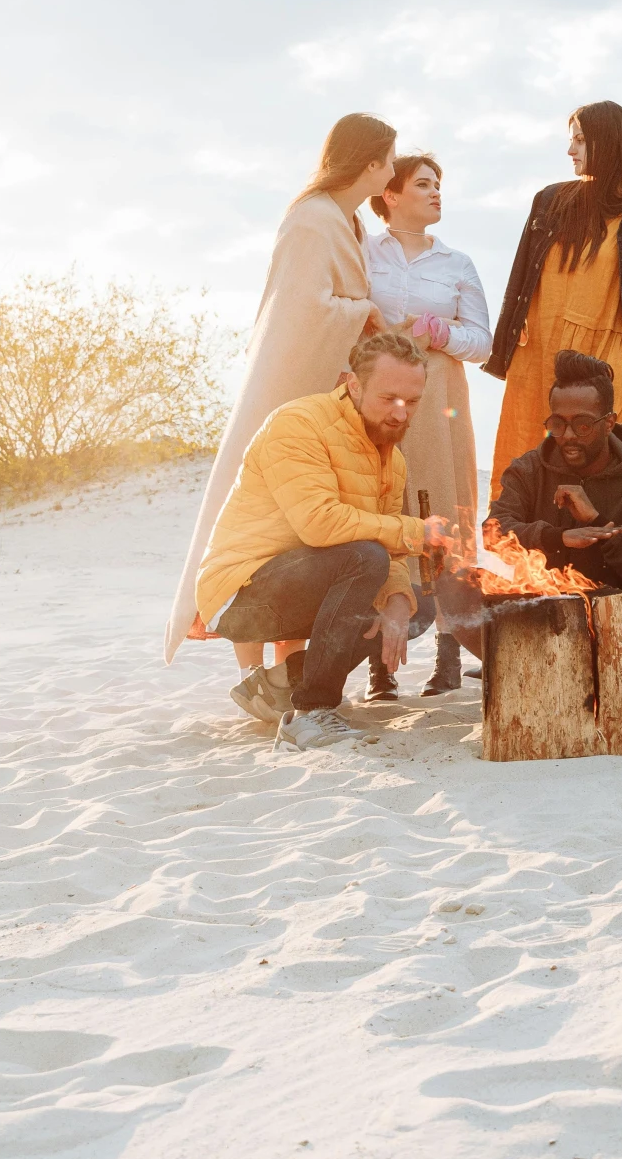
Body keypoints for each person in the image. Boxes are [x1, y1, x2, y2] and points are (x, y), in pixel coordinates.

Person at [165, 112, 393, 666]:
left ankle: (291, 664)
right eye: (389, 159)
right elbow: (300, 310)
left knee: (309, 530)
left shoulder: (348, 223)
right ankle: (252, 670)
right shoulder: (312, 220)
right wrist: (366, 311)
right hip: (292, 389)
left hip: (333, 392)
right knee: (266, 525)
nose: (392, 170)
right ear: (370, 163)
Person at [194, 329, 451, 752]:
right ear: (352, 384)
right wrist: (412, 532)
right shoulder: (297, 424)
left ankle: (281, 684)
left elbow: (385, 542)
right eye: (389, 399)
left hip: (307, 583)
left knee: (417, 605)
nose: (402, 414)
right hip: (240, 595)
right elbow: (319, 524)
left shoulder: (393, 456)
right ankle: (312, 712)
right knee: (365, 560)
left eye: (413, 401)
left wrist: (398, 602)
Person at [436, 350, 622, 672]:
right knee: (455, 583)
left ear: (609, 422)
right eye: (557, 423)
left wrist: (598, 525)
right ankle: (518, 671)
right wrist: (559, 537)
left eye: (582, 425)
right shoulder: (528, 469)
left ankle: (598, 680)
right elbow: (493, 530)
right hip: (537, 606)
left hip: (608, 613)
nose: (567, 436)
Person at [485, 100, 622, 496]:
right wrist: (504, 348)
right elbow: (520, 279)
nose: (570, 150)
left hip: (607, 360)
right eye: (571, 139)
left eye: (580, 140)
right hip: (540, 350)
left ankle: (594, 551)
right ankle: (527, 552)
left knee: (595, 467)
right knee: (527, 455)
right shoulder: (550, 200)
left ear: (608, 143)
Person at [363, 152, 492, 700]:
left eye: (439, 185)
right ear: (390, 194)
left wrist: (440, 332)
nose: (437, 192)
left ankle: (447, 657)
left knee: (443, 512)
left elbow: (483, 344)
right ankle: (380, 666)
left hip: (440, 399)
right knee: (382, 510)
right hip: (379, 401)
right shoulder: (364, 252)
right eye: (423, 184)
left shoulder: (456, 263)